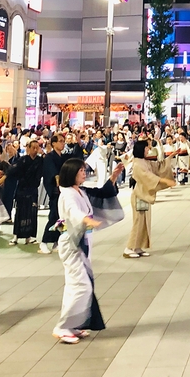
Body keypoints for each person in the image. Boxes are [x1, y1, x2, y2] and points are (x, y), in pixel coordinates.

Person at [53, 157, 124, 344]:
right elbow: (74, 212)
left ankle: (74, 324)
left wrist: (113, 178)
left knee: (75, 285)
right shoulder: (67, 194)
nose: (84, 173)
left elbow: (101, 193)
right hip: (73, 243)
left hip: (82, 242)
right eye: (80, 171)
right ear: (71, 174)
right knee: (82, 285)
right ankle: (63, 326)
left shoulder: (80, 191)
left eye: (84, 170)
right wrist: (87, 220)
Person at [124, 140, 176, 258]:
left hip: (144, 194)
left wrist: (170, 157)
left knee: (144, 222)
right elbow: (149, 177)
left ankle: (137, 247)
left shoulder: (144, 161)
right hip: (139, 195)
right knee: (138, 222)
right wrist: (165, 181)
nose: (148, 150)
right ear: (141, 150)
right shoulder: (137, 164)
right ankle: (129, 248)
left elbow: (158, 166)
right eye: (146, 148)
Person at [9, 139, 44, 246]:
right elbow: (14, 171)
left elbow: (40, 174)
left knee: (32, 212)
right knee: (20, 212)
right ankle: (16, 236)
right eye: (32, 147)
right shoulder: (22, 160)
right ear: (28, 148)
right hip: (22, 189)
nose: (34, 150)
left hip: (33, 189)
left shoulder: (40, 160)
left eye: (36, 148)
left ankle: (30, 237)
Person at [40, 134, 66, 254]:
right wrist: (57, 182)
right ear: (53, 143)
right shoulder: (49, 157)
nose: (62, 143)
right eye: (60, 141)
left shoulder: (63, 157)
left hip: (64, 190)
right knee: (53, 216)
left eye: (63, 141)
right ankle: (44, 242)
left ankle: (57, 242)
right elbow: (53, 173)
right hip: (55, 191)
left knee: (61, 217)